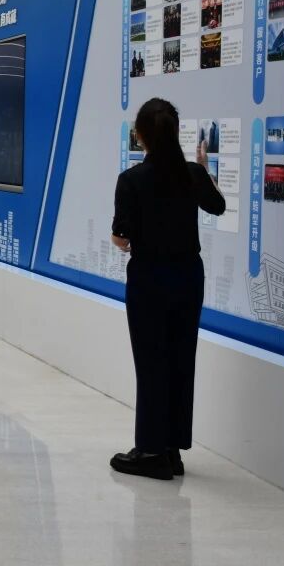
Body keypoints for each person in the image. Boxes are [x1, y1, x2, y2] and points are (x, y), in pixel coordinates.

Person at [110, 97, 225, 480]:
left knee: (151, 363)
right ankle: (173, 448)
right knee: (180, 361)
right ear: (175, 133)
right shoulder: (191, 174)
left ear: (141, 135)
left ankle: (150, 451)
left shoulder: (131, 179)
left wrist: (128, 238)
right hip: (189, 276)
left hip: (149, 278)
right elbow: (217, 206)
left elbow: (121, 237)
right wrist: (204, 170)